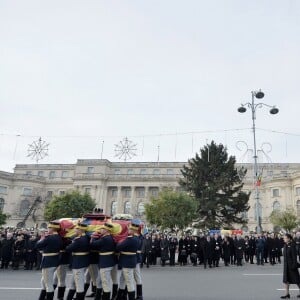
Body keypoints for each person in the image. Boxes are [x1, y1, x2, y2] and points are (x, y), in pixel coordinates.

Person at [36, 221, 63, 300]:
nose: (47, 229)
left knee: (48, 284)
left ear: (52, 228)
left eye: (48, 227)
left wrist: (42, 237)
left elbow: (38, 245)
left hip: (48, 261)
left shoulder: (49, 237)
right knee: (44, 281)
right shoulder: (59, 237)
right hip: (54, 261)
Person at [90, 222, 117, 300]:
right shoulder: (110, 237)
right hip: (107, 262)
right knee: (99, 281)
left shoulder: (105, 238)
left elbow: (92, 245)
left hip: (105, 263)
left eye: (102, 228)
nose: (101, 230)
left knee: (105, 283)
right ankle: (97, 297)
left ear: (106, 230)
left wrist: (92, 237)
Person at [65, 222, 90, 300]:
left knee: (79, 284)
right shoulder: (86, 237)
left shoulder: (79, 240)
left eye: (77, 228)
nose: (75, 230)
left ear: (81, 230)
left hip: (78, 263)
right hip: (82, 262)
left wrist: (71, 243)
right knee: (74, 282)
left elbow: (68, 249)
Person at [116, 222, 139, 300]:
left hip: (127, 262)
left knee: (129, 282)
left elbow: (119, 247)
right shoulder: (136, 238)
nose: (128, 230)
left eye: (130, 229)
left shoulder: (130, 239)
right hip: (130, 261)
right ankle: (119, 297)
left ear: (133, 230)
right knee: (122, 279)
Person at [280, 233, 300, 299]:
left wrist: (294, 265)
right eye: (284, 238)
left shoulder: (292, 245)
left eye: (285, 238)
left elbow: (294, 257)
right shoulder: (285, 245)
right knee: (286, 280)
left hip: (292, 266)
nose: (284, 239)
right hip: (286, 266)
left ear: (289, 238)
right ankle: (287, 294)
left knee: (297, 280)